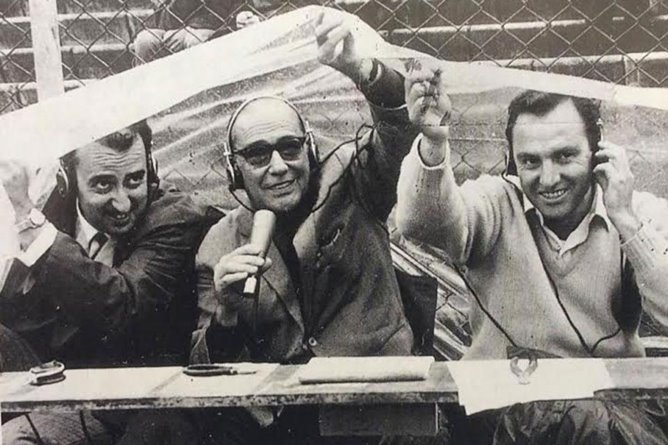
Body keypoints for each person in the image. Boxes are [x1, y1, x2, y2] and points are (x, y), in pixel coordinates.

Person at [186, 10, 447, 445]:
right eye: (257, 155)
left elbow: (401, 127)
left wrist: (361, 69)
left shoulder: (352, 181)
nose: (278, 166)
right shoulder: (219, 245)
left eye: (289, 148)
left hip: (384, 408)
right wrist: (226, 313)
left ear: (309, 149)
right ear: (235, 170)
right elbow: (205, 371)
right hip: (293, 424)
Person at [396, 60, 668, 443]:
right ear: (513, 161)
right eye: (530, 162)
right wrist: (433, 143)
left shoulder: (636, 212)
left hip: (601, 417)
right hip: (501, 413)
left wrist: (625, 222)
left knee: (586, 423)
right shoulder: (495, 202)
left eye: (564, 156)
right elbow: (420, 223)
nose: (549, 179)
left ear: (598, 152)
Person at [0, 121, 222, 444]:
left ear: (151, 168)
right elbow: (17, 310)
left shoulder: (175, 214)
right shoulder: (52, 210)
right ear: (67, 179)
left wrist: (28, 221)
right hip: (63, 383)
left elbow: (123, 304)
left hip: (142, 404)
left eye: (135, 180)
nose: (123, 203)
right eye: (103, 185)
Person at [131, 0, 261, 64]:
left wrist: (242, 16)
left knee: (195, 40)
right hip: (173, 32)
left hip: (211, 34)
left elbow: (241, 9)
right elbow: (160, 21)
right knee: (145, 40)